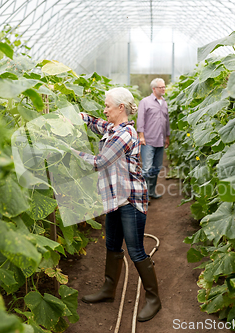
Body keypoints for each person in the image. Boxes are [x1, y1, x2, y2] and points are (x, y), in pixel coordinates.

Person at [77, 87, 162, 322]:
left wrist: (70, 153)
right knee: (113, 245)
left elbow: (99, 162)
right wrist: (81, 118)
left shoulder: (125, 134)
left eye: (107, 106)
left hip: (130, 201)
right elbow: (100, 125)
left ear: (121, 108)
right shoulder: (115, 128)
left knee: (136, 251)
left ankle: (154, 300)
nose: (104, 110)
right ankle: (108, 290)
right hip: (115, 198)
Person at [137, 78, 170, 200]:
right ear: (154, 89)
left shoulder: (164, 102)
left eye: (164, 87)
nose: (163, 89)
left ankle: (151, 192)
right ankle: (143, 195)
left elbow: (167, 121)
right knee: (146, 169)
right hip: (149, 140)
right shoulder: (145, 102)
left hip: (160, 140)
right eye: (161, 87)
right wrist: (141, 136)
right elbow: (140, 120)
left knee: (156, 168)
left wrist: (167, 136)